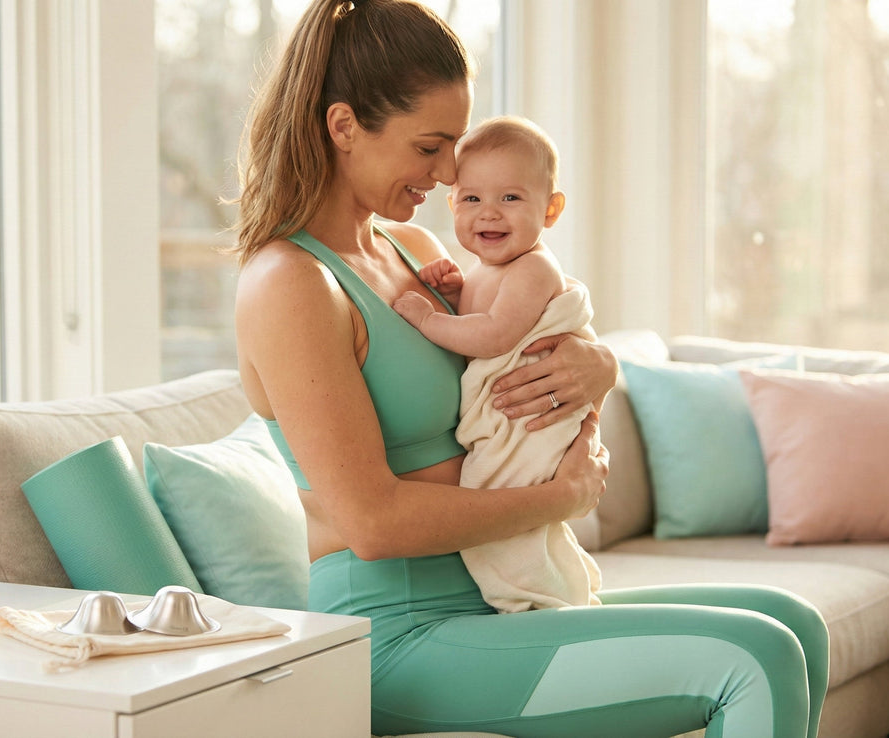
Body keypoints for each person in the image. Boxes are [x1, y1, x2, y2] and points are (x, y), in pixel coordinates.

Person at [231, 1, 828, 736]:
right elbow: (373, 523)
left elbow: (518, 347)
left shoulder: (415, 252)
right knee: (755, 654)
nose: (450, 172)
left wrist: (596, 365)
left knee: (794, 620)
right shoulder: (289, 284)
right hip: (394, 635)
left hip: (502, 591)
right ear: (345, 126)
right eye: (430, 146)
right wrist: (564, 495)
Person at [392, 115, 604, 614]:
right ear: (453, 203)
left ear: (550, 210)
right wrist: (452, 295)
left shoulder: (533, 267)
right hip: (512, 411)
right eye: (472, 199)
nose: (489, 214)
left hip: (528, 424)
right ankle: (546, 586)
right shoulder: (484, 268)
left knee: (508, 509)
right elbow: (479, 315)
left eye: (510, 198)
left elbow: (493, 336)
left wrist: (427, 318)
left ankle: (537, 595)